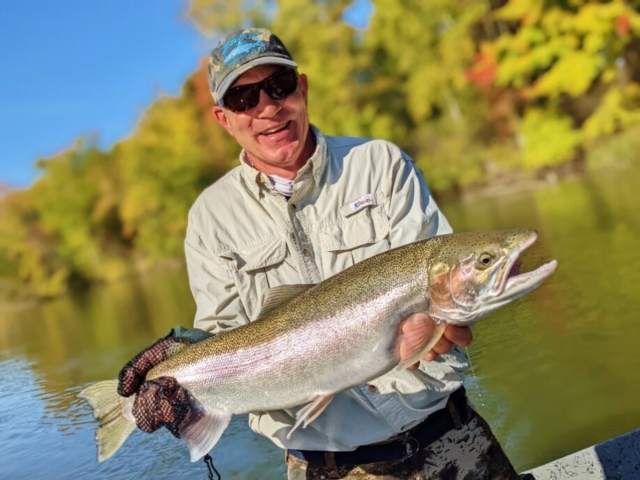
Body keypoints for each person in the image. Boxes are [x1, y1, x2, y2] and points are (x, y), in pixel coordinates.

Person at [118, 28, 520, 479]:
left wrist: (450, 321)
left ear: (302, 89)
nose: (268, 107)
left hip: (449, 437)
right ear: (223, 118)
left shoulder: (380, 164)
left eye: (278, 87)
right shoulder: (210, 219)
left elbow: (444, 286)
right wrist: (182, 360)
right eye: (244, 99)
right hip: (324, 467)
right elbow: (223, 335)